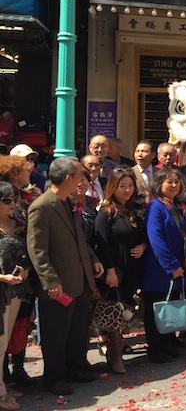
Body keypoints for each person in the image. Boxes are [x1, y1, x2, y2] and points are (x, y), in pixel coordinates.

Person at [26, 157, 103, 395]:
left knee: (77, 330)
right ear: (68, 178)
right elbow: (37, 249)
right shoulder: (41, 206)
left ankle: (76, 367)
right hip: (58, 284)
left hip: (78, 279)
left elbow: (79, 238)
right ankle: (55, 377)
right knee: (55, 333)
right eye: (80, 174)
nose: (84, 179)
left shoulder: (69, 203)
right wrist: (50, 281)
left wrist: (93, 259)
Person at [95, 166, 148, 374]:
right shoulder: (106, 211)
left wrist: (143, 246)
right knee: (115, 311)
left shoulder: (136, 209)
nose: (126, 190)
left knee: (127, 309)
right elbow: (102, 243)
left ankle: (119, 346)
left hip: (133, 268)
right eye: (121, 186)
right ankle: (115, 354)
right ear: (112, 187)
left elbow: (144, 236)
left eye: (130, 185)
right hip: (114, 268)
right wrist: (110, 270)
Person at [142, 168, 186, 363]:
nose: (174, 185)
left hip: (178, 265)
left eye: (177, 182)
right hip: (160, 268)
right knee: (157, 307)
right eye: (169, 182)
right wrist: (172, 266)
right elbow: (156, 239)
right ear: (159, 185)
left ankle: (168, 342)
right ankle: (156, 348)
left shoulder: (177, 206)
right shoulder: (155, 207)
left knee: (170, 305)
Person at [0, 182, 28, 410]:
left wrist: (25, 270)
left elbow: (25, 253)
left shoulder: (17, 223)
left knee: (5, 341)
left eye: (14, 199)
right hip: (2, 291)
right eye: (6, 200)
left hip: (15, 291)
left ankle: (3, 387)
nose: (12, 204)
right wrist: (2, 278)